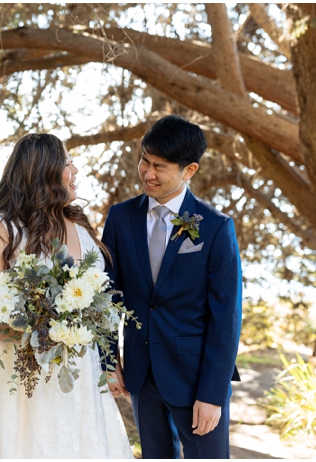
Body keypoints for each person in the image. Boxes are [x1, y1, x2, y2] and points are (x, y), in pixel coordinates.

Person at [0, 133, 133, 458]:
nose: (76, 169)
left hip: (78, 376)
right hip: (15, 374)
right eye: (68, 162)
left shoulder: (80, 228)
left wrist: (108, 364)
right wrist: (37, 332)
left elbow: (100, 303)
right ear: (47, 172)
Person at [101, 115, 242, 458]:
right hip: (140, 373)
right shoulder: (120, 218)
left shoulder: (215, 228)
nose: (147, 173)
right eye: (145, 161)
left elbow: (226, 317)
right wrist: (108, 359)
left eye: (159, 166)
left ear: (189, 170)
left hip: (196, 380)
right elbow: (105, 295)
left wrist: (211, 394)